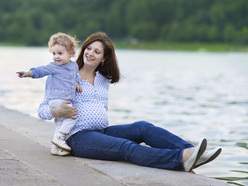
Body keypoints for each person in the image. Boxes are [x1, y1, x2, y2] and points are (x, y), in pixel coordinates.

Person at [38, 32, 222, 172]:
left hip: (101, 132)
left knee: (142, 127)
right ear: (82, 50)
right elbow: (42, 110)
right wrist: (58, 112)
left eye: (97, 51)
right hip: (77, 137)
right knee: (124, 147)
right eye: (88, 48)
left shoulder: (103, 80)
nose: (90, 53)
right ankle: (179, 159)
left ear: (104, 58)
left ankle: (193, 152)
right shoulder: (63, 75)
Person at [17, 32, 82, 156]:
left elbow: (75, 75)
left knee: (60, 122)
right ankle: (60, 137)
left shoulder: (74, 66)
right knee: (73, 117)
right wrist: (28, 73)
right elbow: (41, 70)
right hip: (57, 99)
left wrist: (77, 82)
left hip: (66, 99)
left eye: (60, 53)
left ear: (71, 53)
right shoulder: (54, 67)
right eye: (54, 53)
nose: (56, 56)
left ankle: (55, 147)